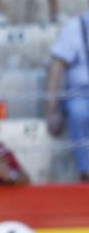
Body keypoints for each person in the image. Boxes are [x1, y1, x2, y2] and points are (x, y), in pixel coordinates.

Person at [45, 10, 89, 183]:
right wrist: (51, 111)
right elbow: (55, 70)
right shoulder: (75, 27)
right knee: (78, 111)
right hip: (79, 93)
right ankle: (86, 173)